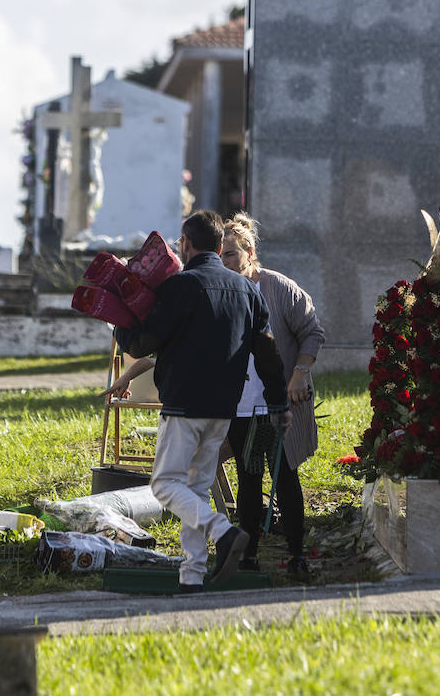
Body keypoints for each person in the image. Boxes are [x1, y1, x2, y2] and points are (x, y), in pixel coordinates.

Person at [113, 210, 289, 593]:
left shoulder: (180, 286)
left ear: (187, 244)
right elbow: (268, 351)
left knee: (164, 485)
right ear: (218, 245)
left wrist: (121, 322)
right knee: (193, 490)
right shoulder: (246, 289)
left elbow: (145, 342)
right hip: (225, 407)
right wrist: (279, 403)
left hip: (184, 405)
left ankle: (222, 533)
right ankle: (192, 575)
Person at [220, 213, 325, 580]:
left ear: (249, 252)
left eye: (231, 254)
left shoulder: (279, 288)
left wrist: (300, 373)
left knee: (285, 477)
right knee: (248, 481)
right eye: (220, 256)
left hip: (279, 403)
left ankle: (297, 555)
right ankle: (249, 556)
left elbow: (312, 332)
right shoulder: (223, 291)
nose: (225, 262)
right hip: (241, 404)